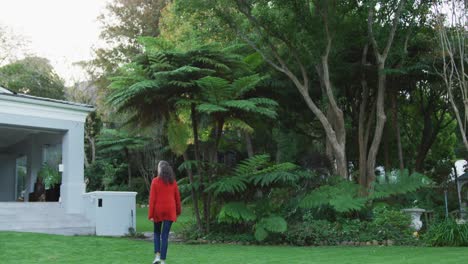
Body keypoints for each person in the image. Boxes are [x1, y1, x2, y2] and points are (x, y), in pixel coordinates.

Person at [148, 160, 181, 264]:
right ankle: (162, 260)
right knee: (165, 235)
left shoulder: (155, 181)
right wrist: (178, 211)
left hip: (158, 210)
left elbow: (152, 199)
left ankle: (157, 256)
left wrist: (151, 214)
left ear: (160, 169)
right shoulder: (173, 182)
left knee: (157, 233)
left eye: (158, 167)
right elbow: (177, 199)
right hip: (170, 210)